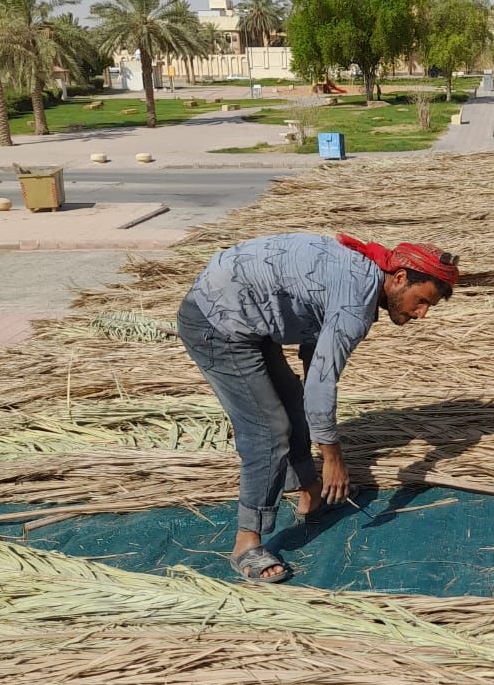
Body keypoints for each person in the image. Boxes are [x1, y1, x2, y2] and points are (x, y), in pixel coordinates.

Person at [177, 232, 460, 584]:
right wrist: (332, 458)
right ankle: (246, 543)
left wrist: (313, 406)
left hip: (247, 316)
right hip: (216, 323)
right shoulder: (355, 303)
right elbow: (324, 382)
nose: (421, 314)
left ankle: (311, 492)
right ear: (400, 278)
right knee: (268, 431)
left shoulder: (362, 279)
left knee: (294, 401)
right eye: (421, 301)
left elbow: (315, 365)